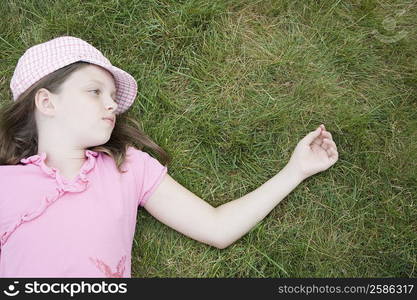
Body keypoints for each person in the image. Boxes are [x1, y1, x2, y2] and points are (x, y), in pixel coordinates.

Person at [0, 36, 338, 278]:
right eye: (94, 92)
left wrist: (296, 170)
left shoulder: (128, 168)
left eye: (113, 96)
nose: (112, 105)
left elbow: (217, 228)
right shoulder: (6, 185)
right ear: (47, 103)